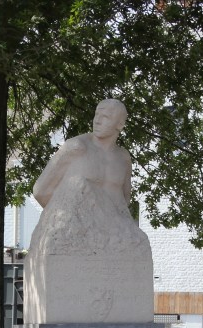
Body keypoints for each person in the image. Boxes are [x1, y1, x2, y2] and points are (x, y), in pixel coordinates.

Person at [28, 98, 148, 256]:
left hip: (116, 235)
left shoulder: (122, 158)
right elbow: (40, 190)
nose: (97, 121)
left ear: (119, 125)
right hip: (72, 231)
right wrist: (68, 216)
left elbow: (124, 200)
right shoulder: (77, 148)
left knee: (139, 242)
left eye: (105, 117)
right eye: (96, 115)